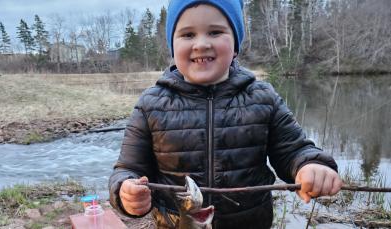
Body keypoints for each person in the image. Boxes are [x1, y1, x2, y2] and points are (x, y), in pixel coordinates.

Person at [109, 0, 342, 228]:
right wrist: (125, 193)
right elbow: (127, 169)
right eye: (188, 35)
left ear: (235, 43)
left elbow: (294, 151)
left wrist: (310, 165)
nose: (201, 44)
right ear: (172, 43)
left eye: (215, 32)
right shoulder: (150, 104)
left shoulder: (264, 97)